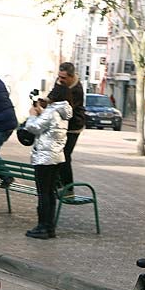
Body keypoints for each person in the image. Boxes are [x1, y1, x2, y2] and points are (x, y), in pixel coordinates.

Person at [22, 84, 72, 239]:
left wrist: (32, 114)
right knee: (50, 192)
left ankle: (42, 227)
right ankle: (50, 227)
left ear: (54, 95)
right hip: (57, 157)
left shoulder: (51, 111)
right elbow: (51, 126)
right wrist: (41, 112)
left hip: (44, 158)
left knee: (43, 193)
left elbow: (34, 127)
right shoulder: (64, 111)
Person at [55, 62, 85, 196]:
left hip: (73, 126)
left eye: (63, 78)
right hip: (61, 125)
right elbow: (54, 96)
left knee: (65, 155)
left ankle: (69, 188)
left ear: (72, 77)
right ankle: (57, 182)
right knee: (55, 153)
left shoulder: (76, 89)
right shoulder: (60, 82)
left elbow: (67, 109)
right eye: (59, 77)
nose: (60, 80)